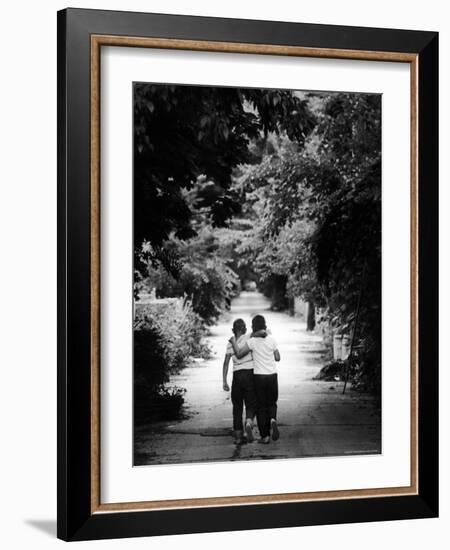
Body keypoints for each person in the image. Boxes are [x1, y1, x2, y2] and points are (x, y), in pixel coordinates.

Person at [229, 315, 280, 444]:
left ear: (253, 327)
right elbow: (278, 357)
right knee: (272, 402)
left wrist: (233, 342)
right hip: (272, 375)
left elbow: (239, 354)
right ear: (265, 325)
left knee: (261, 406)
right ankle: (273, 419)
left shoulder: (252, 342)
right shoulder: (272, 339)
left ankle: (265, 436)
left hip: (259, 377)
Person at [223, 319, 257, 444]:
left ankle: (238, 437)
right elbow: (261, 333)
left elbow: (226, 363)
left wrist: (224, 381)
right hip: (249, 374)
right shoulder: (249, 338)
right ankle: (248, 422)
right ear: (245, 330)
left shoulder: (230, 344)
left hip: (237, 376)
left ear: (233, 330)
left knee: (237, 406)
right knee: (251, 402)